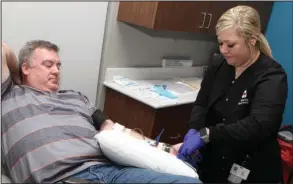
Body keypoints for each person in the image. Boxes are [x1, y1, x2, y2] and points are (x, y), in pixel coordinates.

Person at [1, 40, 201, 183]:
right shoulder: (9, 94)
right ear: (26, 68)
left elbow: (114, 129)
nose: (56, 70)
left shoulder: (75, 97)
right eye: (48, 65)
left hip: (111, 172)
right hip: (60, 178)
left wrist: (166, 148)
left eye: (58, 65)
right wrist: (17, 77)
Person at [176, 5, 288, 183]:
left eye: (230, 45)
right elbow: (202, 102)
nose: (223, 50)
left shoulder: (272, 76)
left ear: (251, 40)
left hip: (250, 166)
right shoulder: (219, 64)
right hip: (214, 161)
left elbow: (260, 126)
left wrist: (208, 134)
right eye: (220, 43)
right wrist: (194, 127)